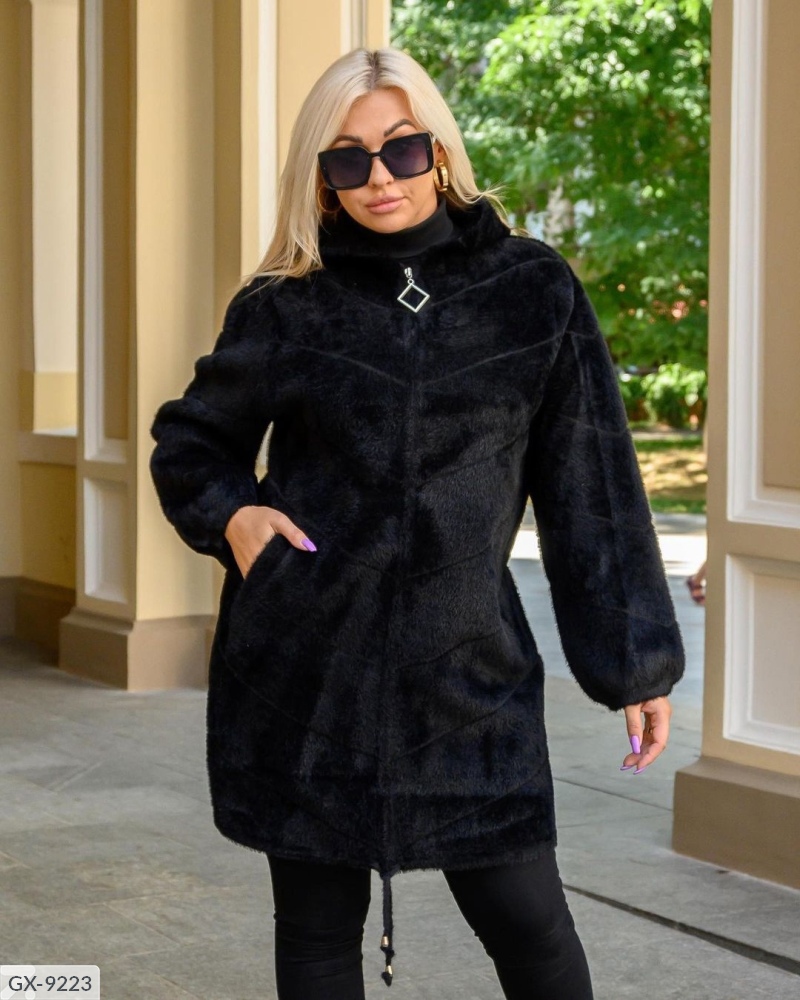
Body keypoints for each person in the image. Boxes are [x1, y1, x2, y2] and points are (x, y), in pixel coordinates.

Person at [150, 47, 685, 1000]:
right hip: (307, 678)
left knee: (531, 926)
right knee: (317, 936)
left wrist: (636, 663)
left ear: (439, 151)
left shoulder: (532, 289)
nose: (379, 178)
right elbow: (192, 442)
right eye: (347, 159)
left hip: (471, 680)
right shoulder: (285, 303)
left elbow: (592, 488)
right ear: (321, 175)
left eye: (400, 148)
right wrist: (235, 520)